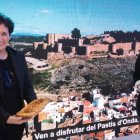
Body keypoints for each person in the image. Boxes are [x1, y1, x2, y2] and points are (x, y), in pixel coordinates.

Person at [0, 13, 37, 140]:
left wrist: (34, 106)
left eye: (3, 34)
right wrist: (6, 118)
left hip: (17, 123)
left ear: (9, 36)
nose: (0, 38)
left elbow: (27, 87)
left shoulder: (18, 57)